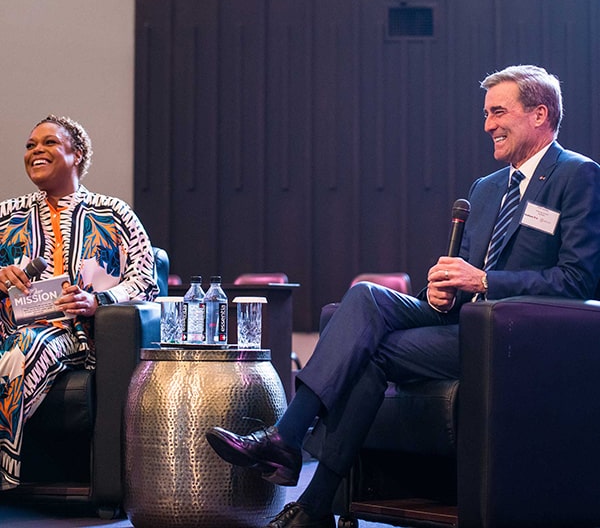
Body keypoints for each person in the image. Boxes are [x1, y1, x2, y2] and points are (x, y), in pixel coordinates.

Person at [206, 65, 600, 528]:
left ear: (539, 114)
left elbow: (578, 280)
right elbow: (464, 275)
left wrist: (485, 282)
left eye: (498, 112)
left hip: (515, 338)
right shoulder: (487, 188)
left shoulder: (577, 176)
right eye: (486, 114)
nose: (487, 125)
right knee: (367, 298)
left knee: (372, 355)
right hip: (458, 323)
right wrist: (444, 289)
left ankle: (304, 484)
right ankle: (289, 444)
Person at [0, 114, 159, 491]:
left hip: (73, 335)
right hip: (7, 327)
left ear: (77, 153)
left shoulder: (115, 214)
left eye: (49, 143)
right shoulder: (6, 215)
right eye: (30, 146)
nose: (36, 150)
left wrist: (98, 300)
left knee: (24, 350)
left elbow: (146, 280)